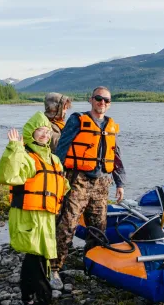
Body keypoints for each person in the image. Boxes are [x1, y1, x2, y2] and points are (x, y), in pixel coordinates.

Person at [0, 111, 69, 305]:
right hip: (29, 215)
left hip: (46, 216)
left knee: (32, 259)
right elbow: (8, 175)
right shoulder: (25, 155)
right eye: (40, 131)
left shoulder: (53, 158)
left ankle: (27, 302)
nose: (44, 135)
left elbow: (62, 184)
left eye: (47, 131)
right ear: (31, 132)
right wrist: (14, 148)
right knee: (39, 261)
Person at [54, 86, 126, 272]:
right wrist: (57, 175)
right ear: (91, 100)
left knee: (98, 229)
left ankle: (93, 266)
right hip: (78, 180)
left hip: (102, 183)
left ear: (110, 104)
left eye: (106, 100)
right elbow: (62, 147)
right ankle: (54, 268)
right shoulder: (77, 120)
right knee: (67, 225)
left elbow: (115, 155)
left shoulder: (110, 125)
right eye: (99, 98)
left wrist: (120, 183)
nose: (102, 102)